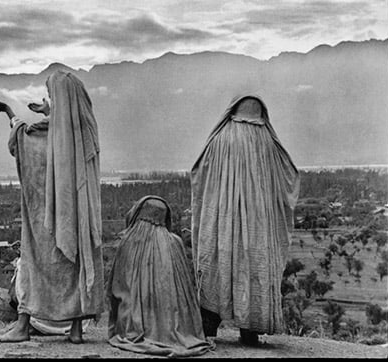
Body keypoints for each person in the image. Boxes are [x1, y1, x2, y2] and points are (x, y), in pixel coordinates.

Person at [0, 70, 104, 343]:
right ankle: (76, 329)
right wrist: (51, 112)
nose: (48, 100)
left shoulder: (41, 135)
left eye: (51, 96)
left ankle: (22, 324)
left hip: (43, 219)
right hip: (77, 218)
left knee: (34, 264)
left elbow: (20, 138)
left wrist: (9, 112)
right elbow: (65, 125)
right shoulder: (86, 132)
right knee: (74, 265)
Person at [190, 95, 300, 345]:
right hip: (258, 224)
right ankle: (250, 333)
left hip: (222, 221)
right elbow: (289, 176)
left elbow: (199, 172)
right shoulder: (268, 142)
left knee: (217, 266)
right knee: (254, 268)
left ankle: (208, 330)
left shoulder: (220, 138)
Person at [107, 195, 213, 357]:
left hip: (132, 324)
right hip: (178, 324)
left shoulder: (128, 241)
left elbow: (116, 289)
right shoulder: (175, 242)